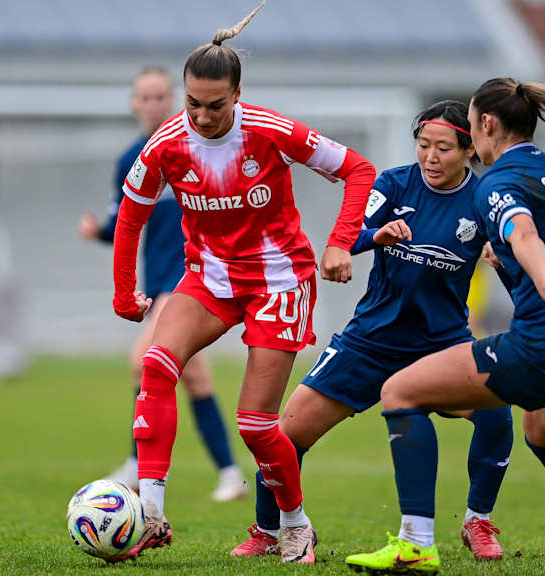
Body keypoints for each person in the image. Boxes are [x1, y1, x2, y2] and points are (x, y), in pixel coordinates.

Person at [345, 44, 545, 576]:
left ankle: (415, 545)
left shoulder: (498, 183)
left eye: (467, 127)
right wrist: (514, 267)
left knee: (399, 392)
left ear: (486, 124)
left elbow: (522, 231)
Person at [109, 1, 376, 563]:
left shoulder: (270, 131)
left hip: (280, 281)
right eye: (191, 104)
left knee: (256, 425)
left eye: (214, 106)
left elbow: (357, 169)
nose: (200, 118)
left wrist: (338, 242)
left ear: (237, 95)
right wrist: (123, 289)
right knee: (156, 365)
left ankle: (296, 526)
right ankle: (150, 517)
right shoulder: (166, 143)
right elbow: (131, 215)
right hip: (208, 278)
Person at [229, 100, 513, 562]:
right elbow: (349, 237)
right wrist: (373, 238)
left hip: (441, 344)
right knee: (284, 434)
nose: (431, 157)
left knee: (496, 411)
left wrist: (502, 257)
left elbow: (514, 252)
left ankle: (477, 521)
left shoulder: (482, 201)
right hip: (370, 341)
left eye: (444, 148)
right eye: (424, 145)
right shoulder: (394, 183)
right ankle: (268, 529)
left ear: (469, 151)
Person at [79, 66, 245, 502]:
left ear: (172, 99)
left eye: (160, 96)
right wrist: (98, 230)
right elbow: (125, 221)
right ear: (134, 103)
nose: (152, 104)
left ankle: (140, 466)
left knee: (145, 360)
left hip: (190, 274)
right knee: (195, 377)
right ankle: (229, 473)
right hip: (157, 280)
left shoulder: (192, 146)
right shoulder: (131, 159)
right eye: (144, 97)